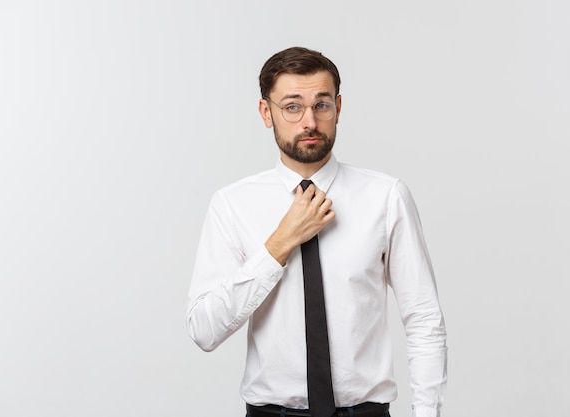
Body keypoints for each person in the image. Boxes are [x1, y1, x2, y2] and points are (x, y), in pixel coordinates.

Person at [187, 46, 447, 417]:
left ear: (338, 108)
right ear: (267, 112)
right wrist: (280, 243)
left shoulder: (385, 197)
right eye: (292, 106)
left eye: (321, 105)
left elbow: (424, 320)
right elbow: (204, 329)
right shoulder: (232, 205)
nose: (309, 121)